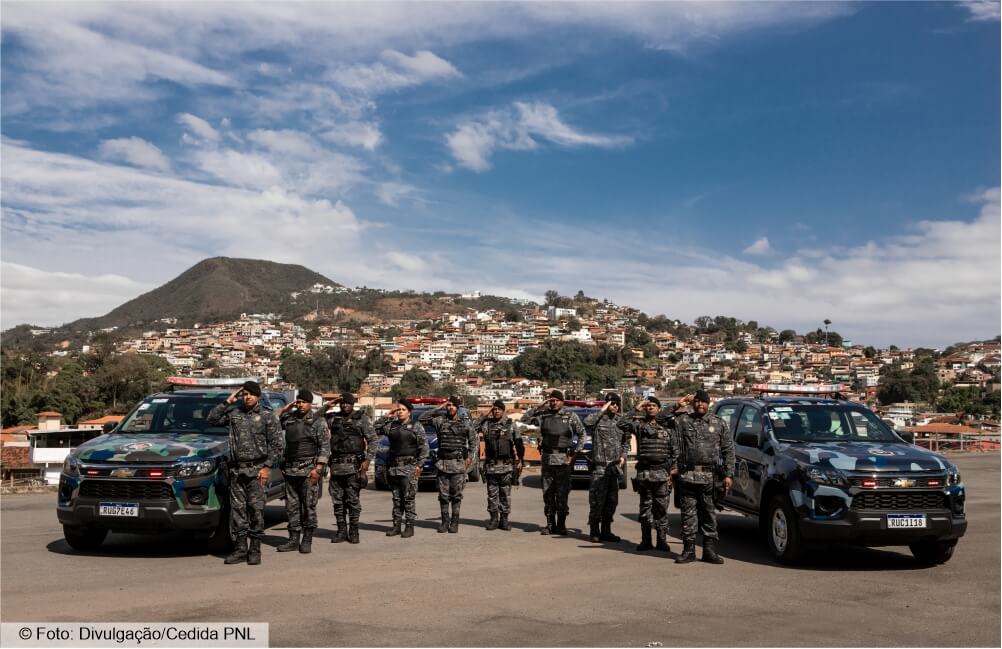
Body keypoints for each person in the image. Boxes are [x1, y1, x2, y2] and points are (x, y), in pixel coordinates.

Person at [206, 380, 283, 566]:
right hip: (236, 470)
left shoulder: (267, 416)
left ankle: (254, 549)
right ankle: (240, 549)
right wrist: (228, 401)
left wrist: (266, 468)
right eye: (245, 394)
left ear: (258, 396)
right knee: (238, 512)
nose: (247, 397)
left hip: (257, 471)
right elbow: (212, 419)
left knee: (256, 511)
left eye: (251, 394)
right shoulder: (235, 414)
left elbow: (277, 445)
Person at [670, 390, 735, 564]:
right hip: (688, 475)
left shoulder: (719, 423)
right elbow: (663, 423)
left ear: (708, 404)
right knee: (688, 515)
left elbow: (728, 450)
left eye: (703, 402)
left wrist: (728, 474)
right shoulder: (683, 421)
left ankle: (709, 551)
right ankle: (688, 550)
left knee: (709, 514)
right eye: (696, 401)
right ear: (692, 403)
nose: (699, 404)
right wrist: (678, 404)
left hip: (710, 476)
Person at [521, 390, 585, 535]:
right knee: (548, 494)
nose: (553, 402)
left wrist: (575, 452)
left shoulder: (570, 416)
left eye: (556, 400)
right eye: (551, 400)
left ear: (562, 401)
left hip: (563, 460)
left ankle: (561, 525)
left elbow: (582, 433)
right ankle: (550, 524)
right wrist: (538, 407)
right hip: (547, 459)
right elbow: (523, 423)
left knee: (562, 494)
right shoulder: (543, 416)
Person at [619, 397, 676, 552]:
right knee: (645, 510)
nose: (650, 408)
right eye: (648, 406)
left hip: (662, 474)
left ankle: (662, 541)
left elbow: (675, 451)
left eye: (653, 406)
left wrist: (672, 471)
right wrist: (636, 408)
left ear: (659, 409)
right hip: (645, 474)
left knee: (661, 510)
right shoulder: (640, 426)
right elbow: (621, 423)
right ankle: (646, 540)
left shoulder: (668, 427)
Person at [276, 389, 330, 554]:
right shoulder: (290, 419)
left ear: (310, 403)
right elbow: (272, 421)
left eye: (303, 402)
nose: (300, 405)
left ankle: (307, 540)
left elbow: (325, 447)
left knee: (308, 506)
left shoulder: (318, 421)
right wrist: (286, 408)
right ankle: (293, 540)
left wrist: (318, 469)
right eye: (298, 402)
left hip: (308, 471)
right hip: (291, 470)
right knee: (291, 507)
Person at [325, 392, 378, 544]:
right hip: (336, 466)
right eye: (342, 403)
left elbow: (373, 440)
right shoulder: (333, 418)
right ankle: (341, 531)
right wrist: (328, 405)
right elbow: (314, 418)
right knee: (338, 502)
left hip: (354, 467)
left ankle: (354, 531)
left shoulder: (361, 419)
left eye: (347, 403)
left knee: (353, 501)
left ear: (353, 404)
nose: (344, 405)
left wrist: (367, 461)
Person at [419, 396, 477, 534]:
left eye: (453, 405)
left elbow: (474, 443)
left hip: (458, 464)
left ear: (457, 407)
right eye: (448, 405)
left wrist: (469, 458)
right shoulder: (440, 421)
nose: (450, 407)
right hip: (442, 464)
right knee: (443, 495)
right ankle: (445, 522)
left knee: (456, 495)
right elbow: (422, 419)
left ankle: (454, 522)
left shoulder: (465, 423)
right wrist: (438, 407)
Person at [375, 400, 429, 538]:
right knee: (396, 499)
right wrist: (388, 414)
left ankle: (409, 527)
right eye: (398, 409)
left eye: (403, 409)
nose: (400, 412)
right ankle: (396, 526)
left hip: (409, 467)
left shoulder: (416, 427)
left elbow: (424, 447)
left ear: (409, 412)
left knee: (408, 498)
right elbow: (375, 428)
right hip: (393, 467)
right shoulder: (391, 426)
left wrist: (419, 465)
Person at [582, 393, 631, 542]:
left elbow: (626, 441)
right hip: (600, 467)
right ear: (606, 404)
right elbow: (587, 422)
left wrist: (623, 456)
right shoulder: (598, 419)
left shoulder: (620, 421)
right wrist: (601, 410)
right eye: (611, 403)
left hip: (614, 468)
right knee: (597, 501)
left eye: (616, 403)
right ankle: (594, 530)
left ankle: (606, 531)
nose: (615, 406)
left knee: (611, 501)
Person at [475, 400, 525, 531]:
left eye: (499, 409)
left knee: (505, 495)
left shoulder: (511, 425)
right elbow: (473, 426)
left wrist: (521, 459)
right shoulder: (487, 425)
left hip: (506, 467)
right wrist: (485, 414)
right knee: (492, 495)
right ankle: (493, 519)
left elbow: (519, 443)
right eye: (494, 409)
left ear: (503, 411)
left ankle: (504, 520)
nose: (496, 411)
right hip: (491, 467)